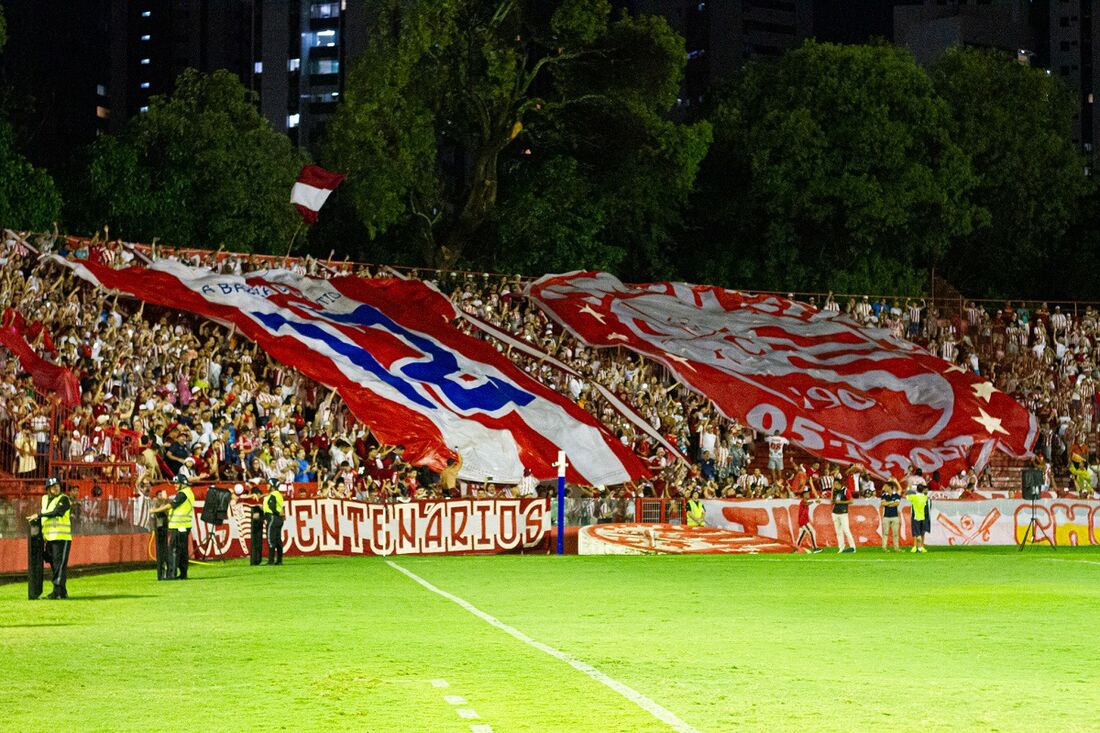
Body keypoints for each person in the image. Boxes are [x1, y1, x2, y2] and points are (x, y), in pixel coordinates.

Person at [26, 477, 71, 599]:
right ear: (48, 489)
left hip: (62, 537)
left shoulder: (64, 499)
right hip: (49, 538)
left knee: (59, 565)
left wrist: (39, 515)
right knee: (54, 564)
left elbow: (57, 512)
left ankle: (57, 592)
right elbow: (46, 514)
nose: (56, 488)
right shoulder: (44, 499)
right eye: (53, 486)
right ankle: (62, 591)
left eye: (57, 485)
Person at [166, 474, 195, 579]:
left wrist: (155, 510)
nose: (175, 485)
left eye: (177, 483)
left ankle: (171, 574)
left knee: (173, 549)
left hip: (179, 525)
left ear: (183, 483)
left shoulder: (182, 494)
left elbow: (172, 505)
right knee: (182, 550)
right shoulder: (189, 492)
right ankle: (183, 574)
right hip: (185, 525)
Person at [831, 466, 858, 553]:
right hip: (835, 512)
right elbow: (833, 501)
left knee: (846, 530)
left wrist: (841, 502)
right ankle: (841, 547)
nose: (834, 486)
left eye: (835, 484)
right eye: (834, 484)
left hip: (843, 513)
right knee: (838, 531)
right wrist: (834, 502)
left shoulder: (845, 490)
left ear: (839, 484)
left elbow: (851, 501)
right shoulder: (835, 491)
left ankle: (853, 547)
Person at [263, 477, 285, 565]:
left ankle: (271, 560)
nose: (267, 485)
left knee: (270, 539)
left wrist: (275, 513)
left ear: (272, 486)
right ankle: (279, 560)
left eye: (268, 484)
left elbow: (271, 506)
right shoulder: (279, 494)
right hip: (278, 519)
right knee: (278, 539)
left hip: (272, 517)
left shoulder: (272, 495)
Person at [795, 489, 822, 553]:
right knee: (812, 532)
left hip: (803, 521)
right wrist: (815, 501)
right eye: (807, 494)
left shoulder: (804, 501)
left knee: (801, 536)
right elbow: (807, 503)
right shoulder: (803, 501)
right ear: (804, 495)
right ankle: (815, 548)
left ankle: (796, 549)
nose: (809, 495)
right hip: (804, 521)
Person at [907, 483, 931, 553]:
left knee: (917, 534)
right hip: (923, 517)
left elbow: (907, 494)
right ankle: (919, 548)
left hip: (916, 517)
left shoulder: (914, 497)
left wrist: (909, 487)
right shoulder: (925, 497)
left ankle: (917, 547)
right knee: (921, 533)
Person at [880, 478, 902, 552]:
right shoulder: (884, 495)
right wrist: (892, 502)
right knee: (885, 533)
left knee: (895, 534)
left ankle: (896, 548)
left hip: (895, 516)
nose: (885, 488)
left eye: (886, 486)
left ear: (890, 487)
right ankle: (884, 548)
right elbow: (883, 504)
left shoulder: (896, 494)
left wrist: (888, 503)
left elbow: (897, 503)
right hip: (886, 517)